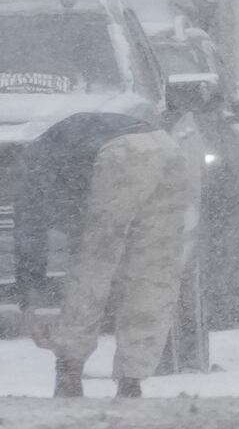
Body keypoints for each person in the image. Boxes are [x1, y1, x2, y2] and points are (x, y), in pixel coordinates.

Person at [13, 108, 197, 398]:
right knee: (153, 270)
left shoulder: (32, 166)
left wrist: (31, 299)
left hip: (120, 154)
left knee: (91, 265)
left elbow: (30, 236)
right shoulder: (57, 148)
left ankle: (69, 371)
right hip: (166, 148)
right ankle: (132, 377)